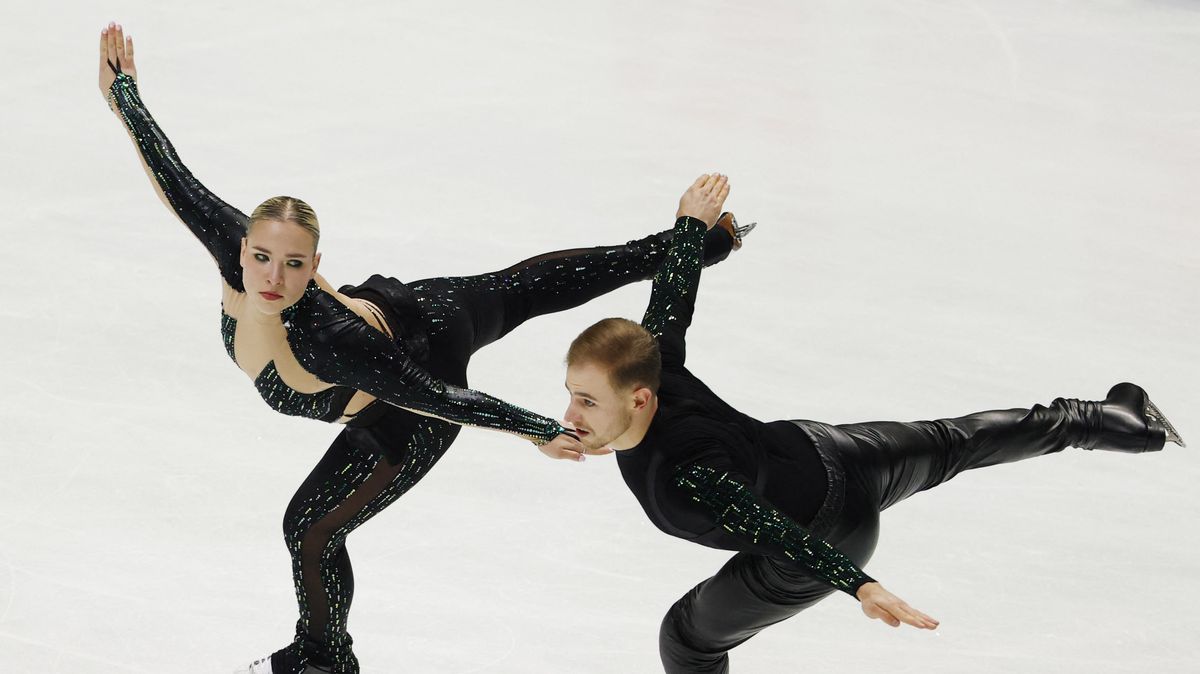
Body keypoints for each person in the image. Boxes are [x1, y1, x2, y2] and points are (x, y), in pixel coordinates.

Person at [96, 24, 749, 674]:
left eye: (292, 265)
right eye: (261, 257)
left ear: (316, 265)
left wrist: (539, 430)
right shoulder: (235, 252)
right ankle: (702, 243)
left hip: (406, 406)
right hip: (413, 317)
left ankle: (322, 663)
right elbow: (173, 176)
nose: (271, 279)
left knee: (313, 528)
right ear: (240, 247)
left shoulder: (328, 341)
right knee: (519, 288)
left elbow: (437, 397)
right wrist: (122, 91)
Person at [560, 173, 1185, 673]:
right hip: (830, 453)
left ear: (639, 399)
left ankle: (1106, 421)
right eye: (571, 396)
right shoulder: (656, 362)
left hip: (822, 542)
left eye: (587, 401)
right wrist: (690, 226)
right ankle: (1113, 421)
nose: (571, 415)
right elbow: (671, 298)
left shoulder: (681, 477)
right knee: (953, 441)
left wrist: (861, 586)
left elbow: (777, 531)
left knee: (686, 641)